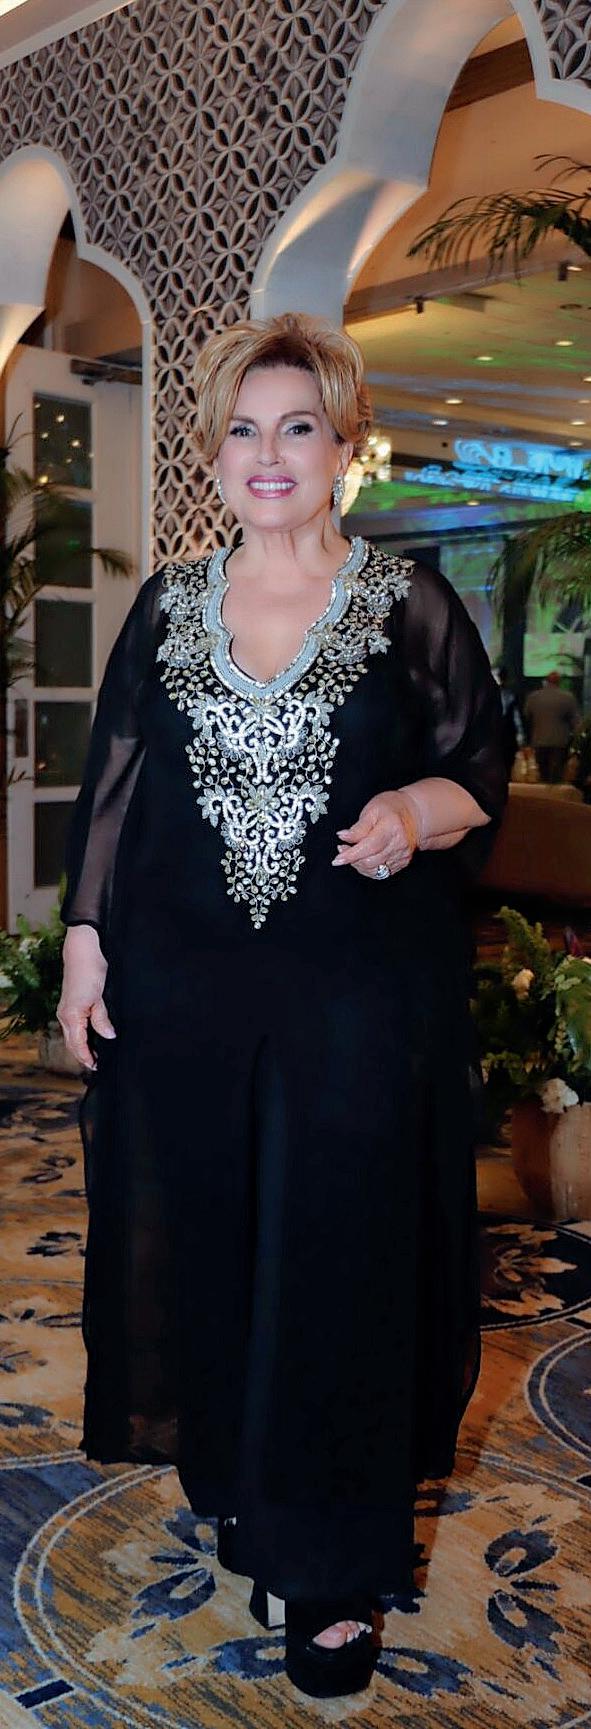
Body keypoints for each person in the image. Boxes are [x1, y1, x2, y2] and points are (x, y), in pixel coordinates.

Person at [57, 312, 506, 1700]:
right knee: (218, 1246)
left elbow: (477, 769)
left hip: (356, 1005)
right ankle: (254, 1494)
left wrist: (408, 812)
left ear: (342, 444)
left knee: (340, 1263)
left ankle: (331, 1566)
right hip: (189, 998)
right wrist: (85, 946)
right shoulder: (166, 608)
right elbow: (114, 789)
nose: (267, 454)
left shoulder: (410, 605)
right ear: (213, 453)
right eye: (243, 430)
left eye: (296, 427)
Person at [524, 670, 581, 784]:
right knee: (556, 774)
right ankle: (554, 790)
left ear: (546, 681)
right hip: (560, 742)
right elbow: (575, 722)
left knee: (543, 772)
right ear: (559, 682)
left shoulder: (533, 697)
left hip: (539, 741)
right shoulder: (568, 698)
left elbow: (527, 717)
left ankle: (544, 789)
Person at [493, 664, 525, 778]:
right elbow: (517, 718)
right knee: (506, 764)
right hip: (508, 735)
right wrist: (521, 736)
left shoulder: (488, 694)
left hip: (493, 735)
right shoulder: (511, 695)